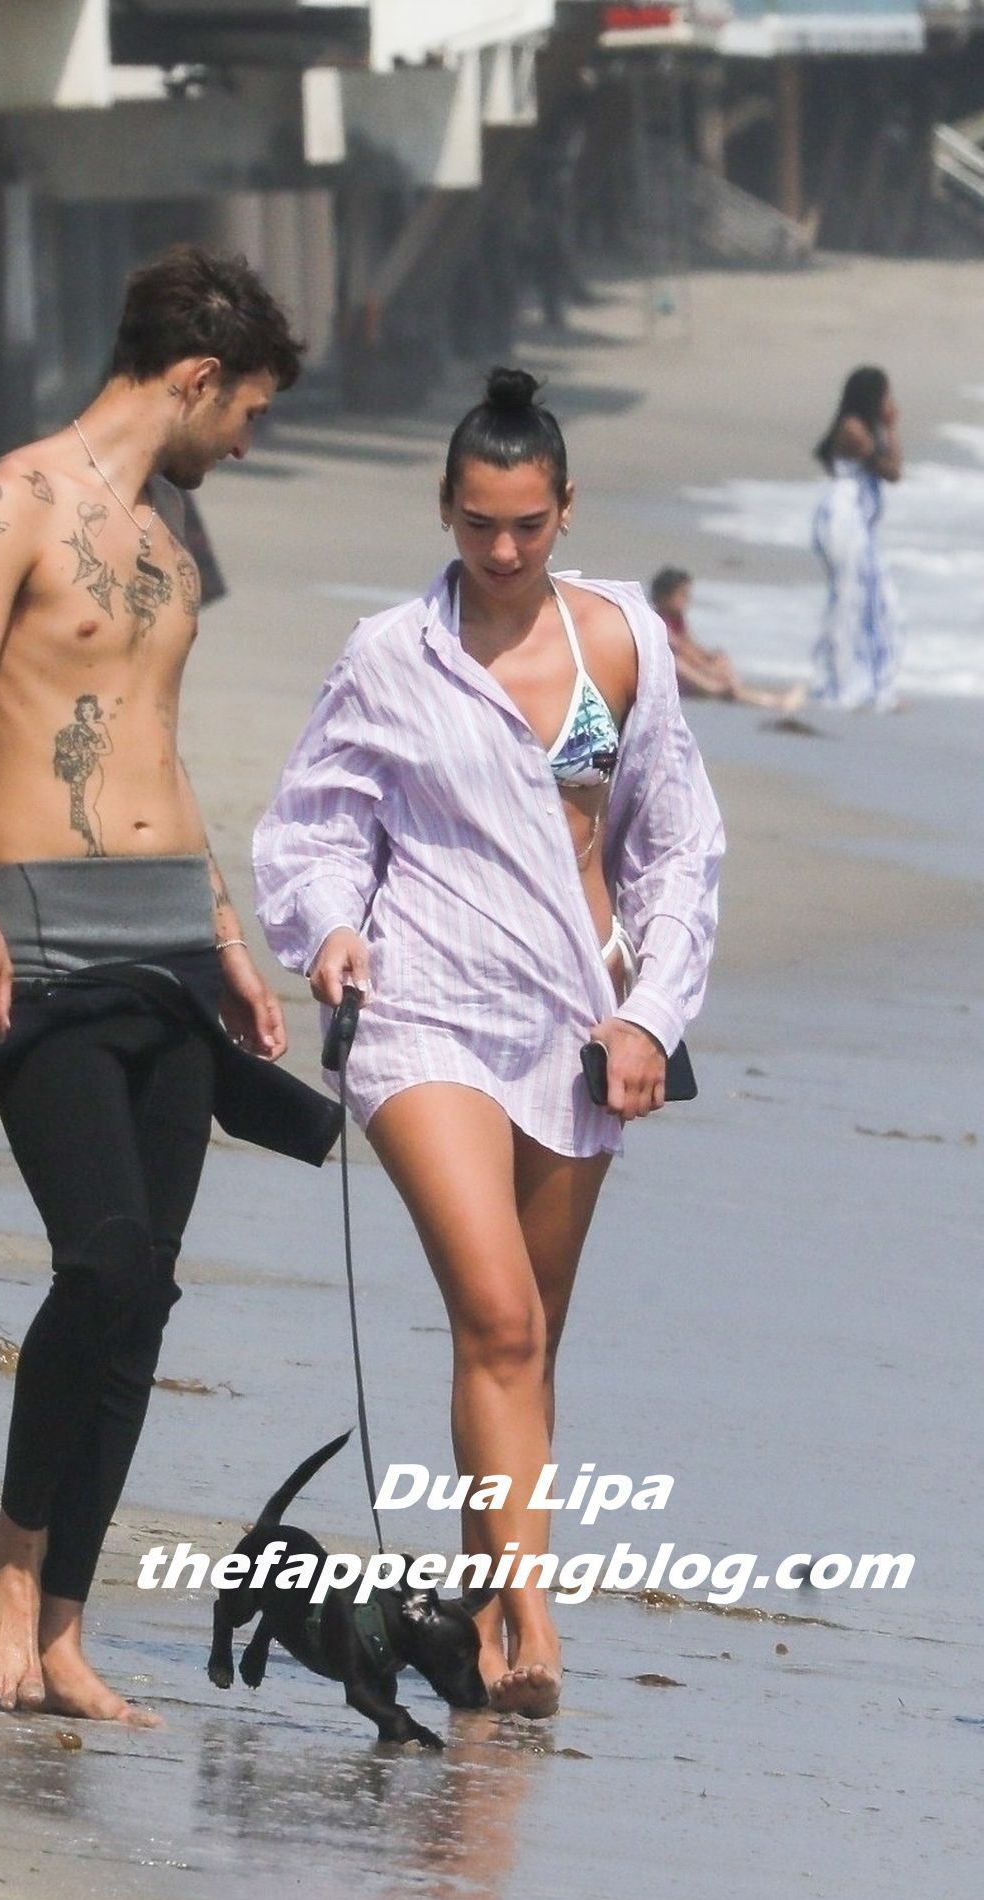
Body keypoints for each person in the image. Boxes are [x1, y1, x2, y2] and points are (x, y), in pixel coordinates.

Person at [253, 368, 723, 1719]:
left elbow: (676, 850)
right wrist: (329, 931)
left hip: (574, 1023)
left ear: (565, 509)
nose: (501, 552)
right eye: (475, 525)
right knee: (498, 1314)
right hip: (423, 1016)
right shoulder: (389, 655)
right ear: (443, 511)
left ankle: (473, 1605)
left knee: (526, 1340)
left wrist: (649, 1014)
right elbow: (313, 824)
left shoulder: (619, 644)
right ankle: (529, 1615)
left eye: (524, 525)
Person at [0, 245, 302, 1724]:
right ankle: (13, 1556)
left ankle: (65, 1627)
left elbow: (158, 748)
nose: (245, 441)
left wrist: (226, 935)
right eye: (246, 410)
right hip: (43, 943)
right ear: (196, 379)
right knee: (106, 1263)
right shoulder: (9, 503)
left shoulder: (170, 537)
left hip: (169, 950)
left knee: (148, 1304)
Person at [811, 366, 903, 710]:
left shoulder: (867, 428)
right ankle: (841, 684)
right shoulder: (852, 428)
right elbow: (890, 470)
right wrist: (890, 428)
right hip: (843, 520)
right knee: (849, 601)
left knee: (877, 600)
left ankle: (871, 683)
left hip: (861, 525)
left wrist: (888, 429)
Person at [650, 567, 804, 710]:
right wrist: (708, 670)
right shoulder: (659, 622)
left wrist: (710, 659)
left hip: (695, 673)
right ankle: (769, 701)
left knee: (719, 655)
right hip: (675, 681)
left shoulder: (678, 619)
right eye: (682, 595)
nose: (687, 600)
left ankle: (730, 686)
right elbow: (681, 650)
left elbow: (692, 646)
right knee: (677, 664)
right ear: (664, 598)